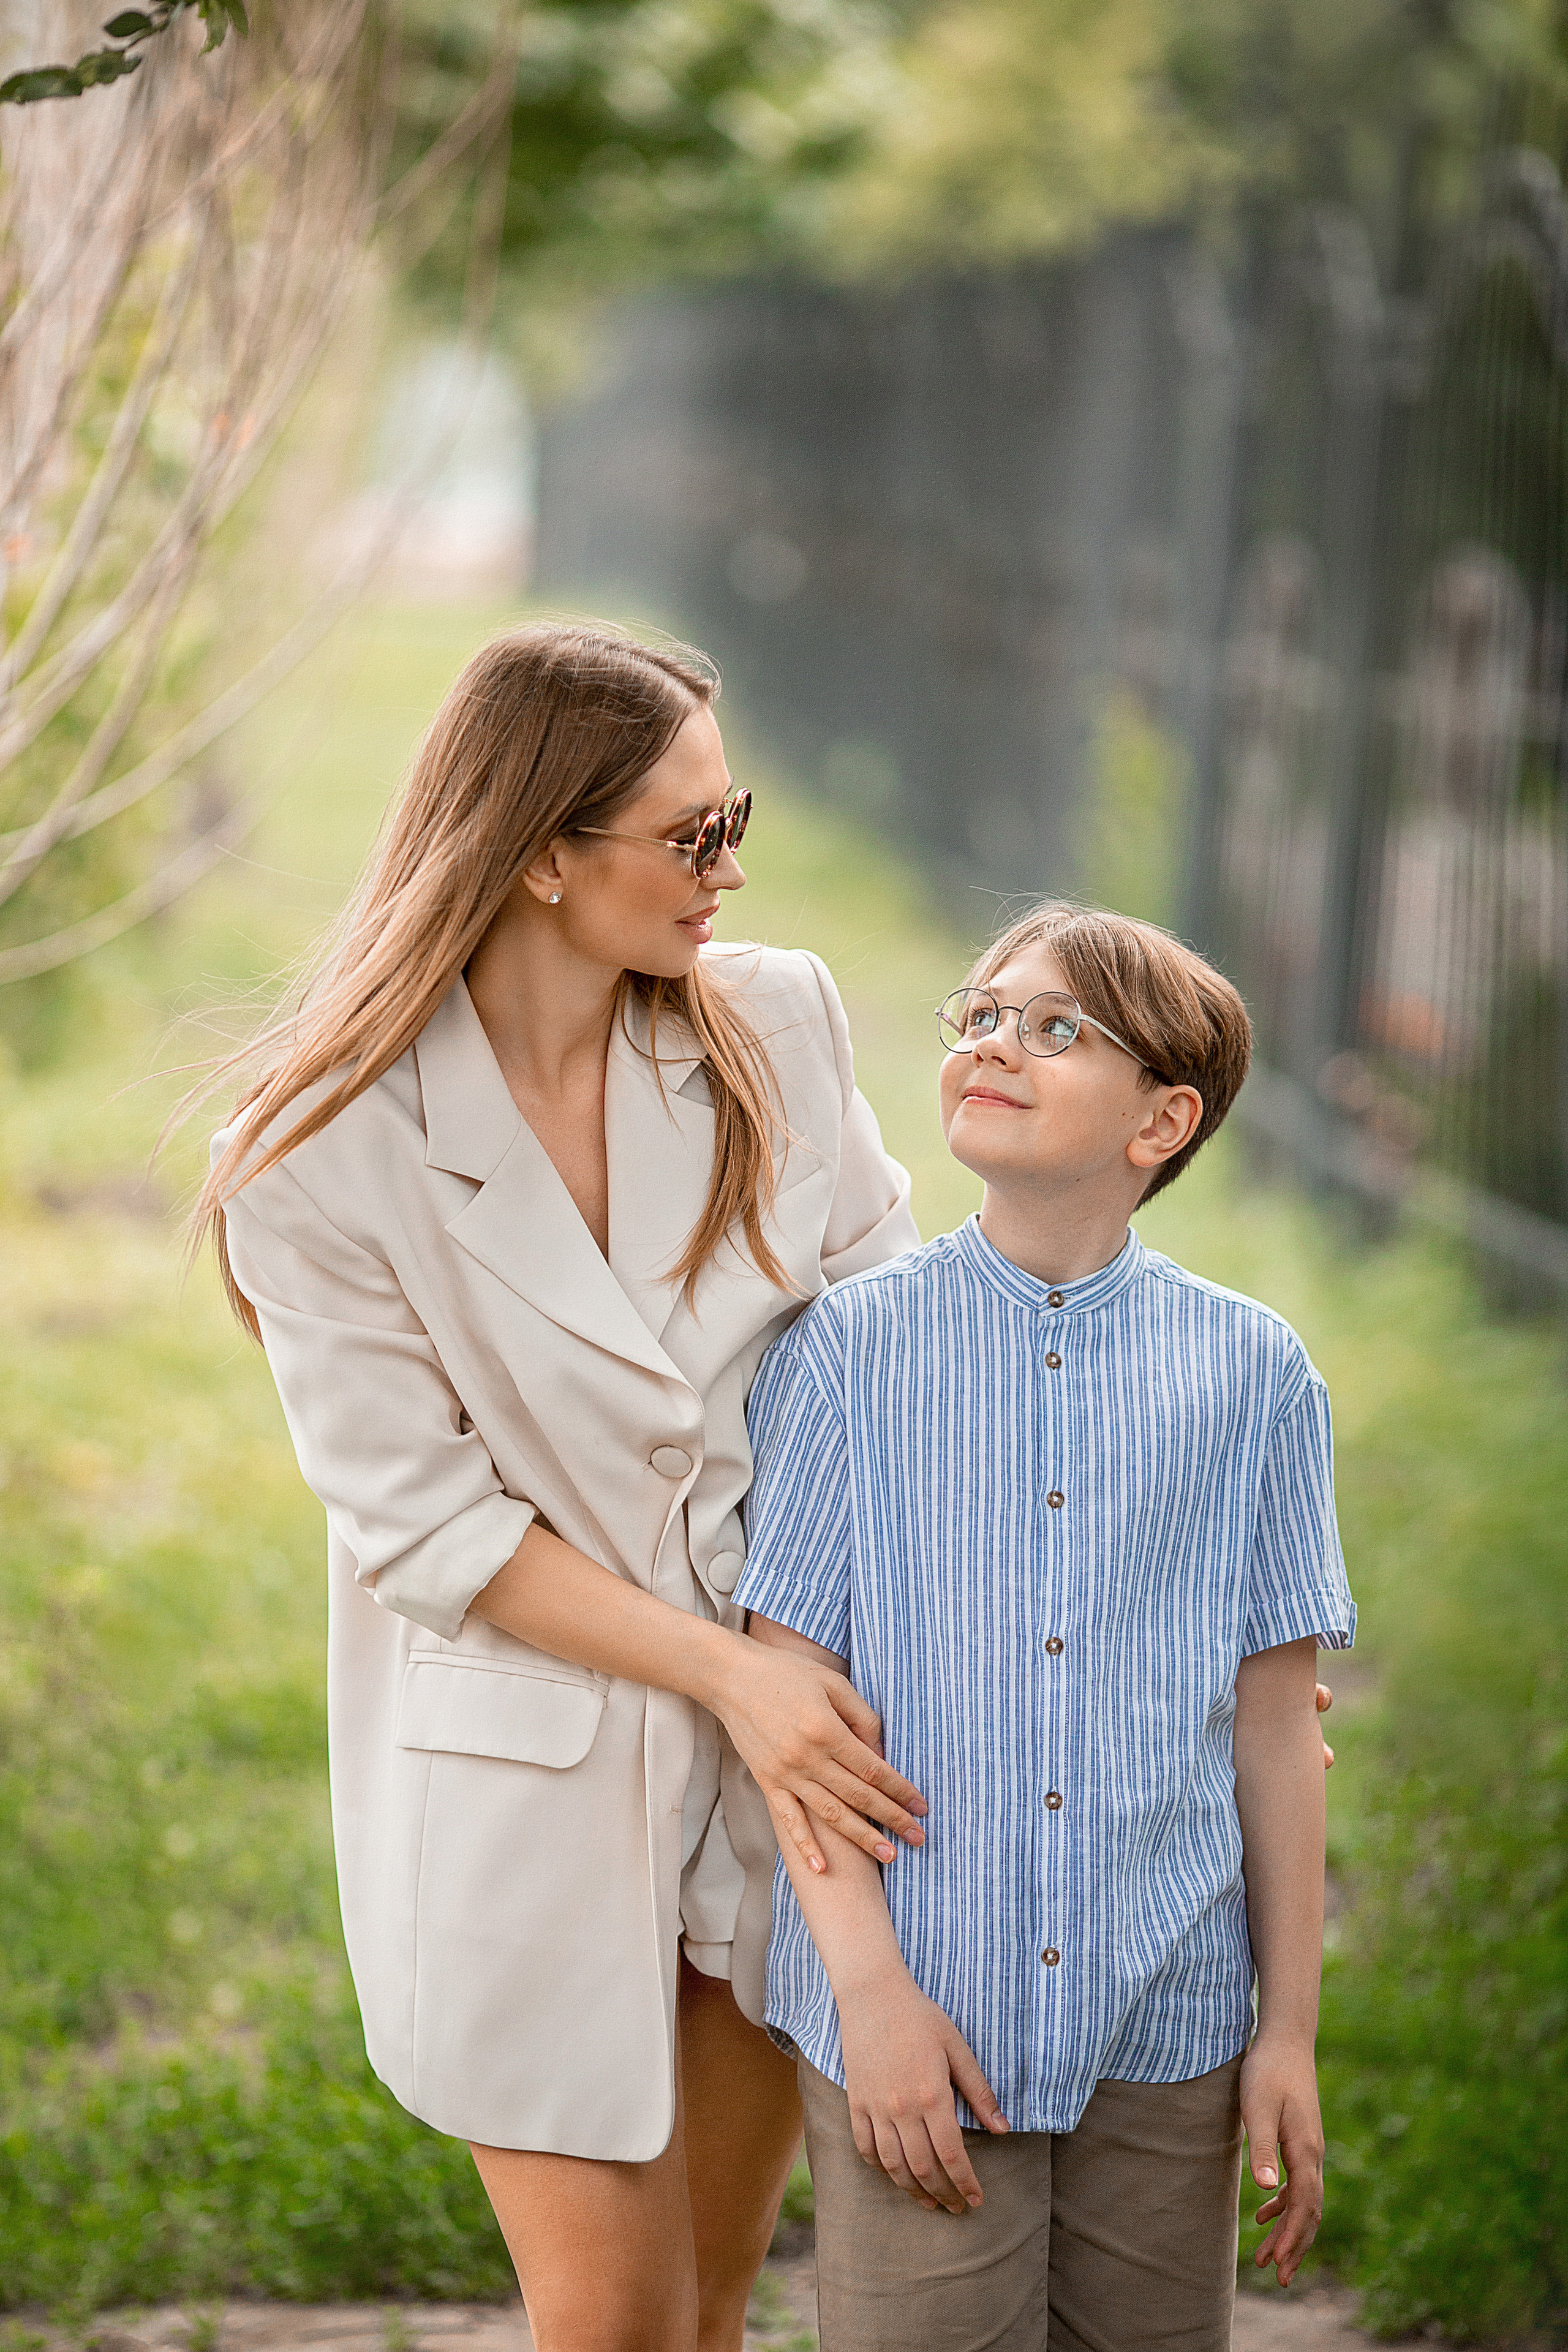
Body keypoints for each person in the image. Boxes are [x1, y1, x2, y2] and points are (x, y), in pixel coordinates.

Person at [192, 623, 930, 2352]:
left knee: (721, 2307)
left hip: (782, 1796)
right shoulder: (313, 1150)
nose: (731, 867)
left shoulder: (778, 1022)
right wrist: (734, 1675)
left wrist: (1159, 1621)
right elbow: (431, 1533)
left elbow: (908, 1362)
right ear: (539, 854)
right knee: (611, 2327)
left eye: (730, 813)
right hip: (529, 1790)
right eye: (690, 835)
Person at [736, 900, 1356, 2352]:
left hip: (1171, 2023)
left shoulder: (1253, 1374)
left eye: (1055, 1026)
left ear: (1162, 1119)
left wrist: (1283, 2036)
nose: (994, 1044)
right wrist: (870, 1994)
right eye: (982, 1014)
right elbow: (790, 1704)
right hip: (918, 2026)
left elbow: (1272, 1733)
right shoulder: (843, 1354)